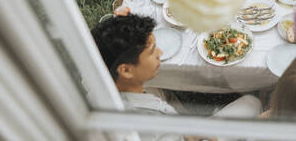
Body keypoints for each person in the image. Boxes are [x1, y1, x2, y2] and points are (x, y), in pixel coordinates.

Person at [92, 15, 261, 141]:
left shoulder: (99, 93)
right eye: (151, 51)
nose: (160, 53)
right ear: (126, 70)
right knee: (252, 103)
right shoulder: (146, 122)